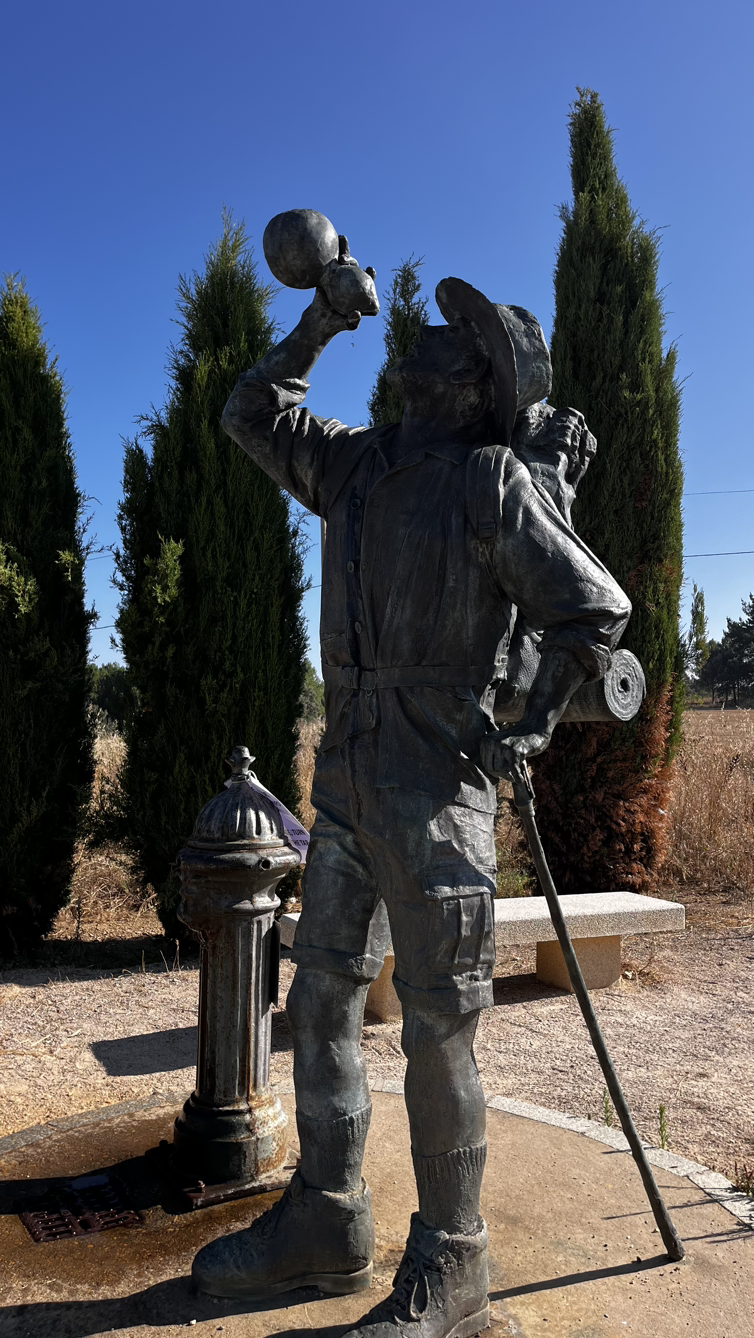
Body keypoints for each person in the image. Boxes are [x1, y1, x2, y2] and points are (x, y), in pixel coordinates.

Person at [192, 249, 631, 1338]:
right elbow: (250, 413)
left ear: (477, 380)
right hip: (346, 785)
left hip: (440, 796)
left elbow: (593, 609)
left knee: (438, 1030)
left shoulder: (490, 480)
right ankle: (327, 1217)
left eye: (455, 332)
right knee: (322, 999)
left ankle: (453, 1262)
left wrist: (527, 723)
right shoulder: (355, 463)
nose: (426, 336)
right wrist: (316, 323)